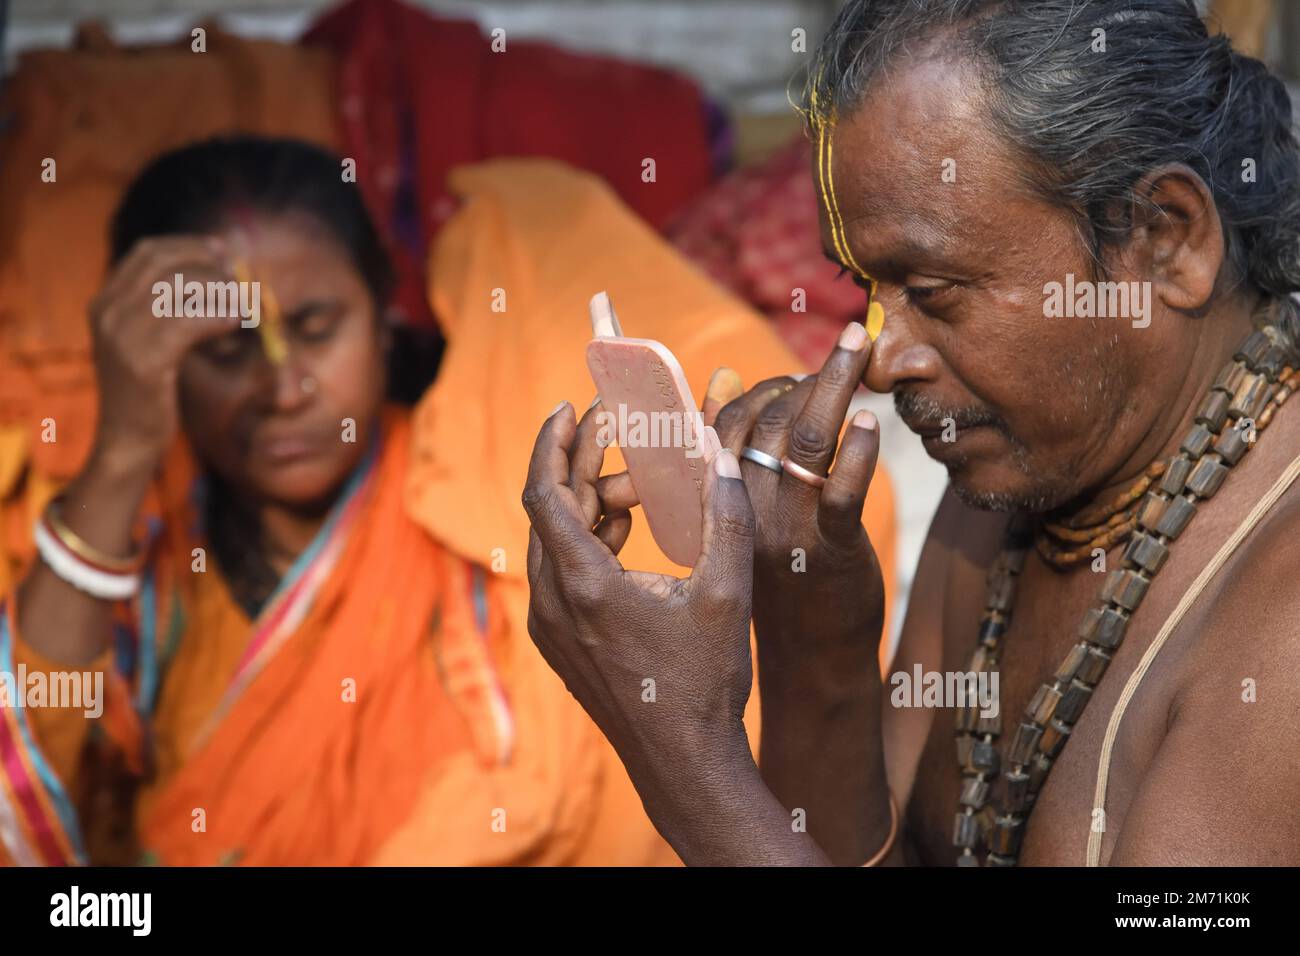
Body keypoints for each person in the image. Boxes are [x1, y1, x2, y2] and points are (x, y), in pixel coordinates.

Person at [522, 0, 1300, 866]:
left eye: (931, 293)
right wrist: (813, 630)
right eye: (863, 287)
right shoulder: (1007, 491)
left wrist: (684, 749)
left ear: (1165, 241)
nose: (883, 363)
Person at [0, 136, 901, 865]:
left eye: (315, 329)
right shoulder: (143, 541)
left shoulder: (460, 480)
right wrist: (121, 445)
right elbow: (31, 780)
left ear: (383, 307)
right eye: (227, 349)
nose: (282, 390)